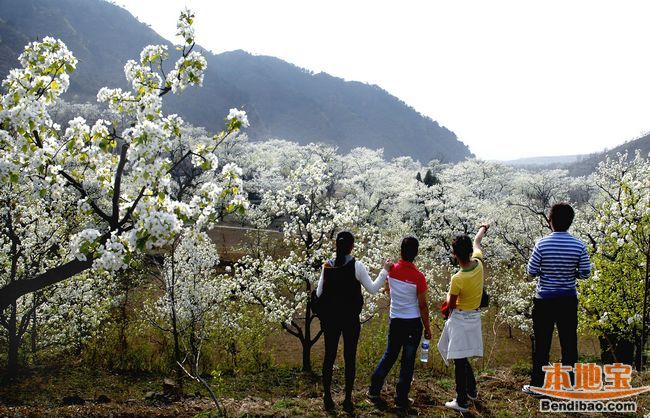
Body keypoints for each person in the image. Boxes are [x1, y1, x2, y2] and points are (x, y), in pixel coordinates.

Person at [316, 231, 390, 413]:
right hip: (350, 319)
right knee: (350, 358)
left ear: (336, 245)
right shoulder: (356, 266)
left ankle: (327, 397)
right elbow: (372, 289)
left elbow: (318, 294)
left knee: (329, 357)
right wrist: (385, 271)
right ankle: (347, 400)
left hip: (331, 319)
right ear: (352, 246)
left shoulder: (327, 266)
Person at [522, 203, 591, 396]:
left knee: (542, 344)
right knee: (569, 344)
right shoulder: (579, 245)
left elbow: (532, 271)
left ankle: (538, 386)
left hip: (544, 300)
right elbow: (586, 273)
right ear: (571, 222)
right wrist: (571, 273)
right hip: (568, 300)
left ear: (549, 221)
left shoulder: (542, 244)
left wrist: (547, 271)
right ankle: (570, 386)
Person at [367, 236, 432, 410]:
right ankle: (401, 398)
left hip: (395, 320)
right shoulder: (418, 276)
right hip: (412, 324)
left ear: (401, 252)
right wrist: (428, 327)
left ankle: (374, 390)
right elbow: (423, 305)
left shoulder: (391, 270)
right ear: (416, 254)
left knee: (390, 355)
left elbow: (387, 290)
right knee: (407, 361)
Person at [438, 225, 489, 413]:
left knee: (459, 358)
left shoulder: (457, 278)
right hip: (474, 317)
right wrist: (483, 228)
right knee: (463, 355)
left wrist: (446, 303)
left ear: (454, 255)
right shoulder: (479, 263)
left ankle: (461, 400)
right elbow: (477, 241)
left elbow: (450, 304)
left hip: (460, 318)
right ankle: (472, 391)